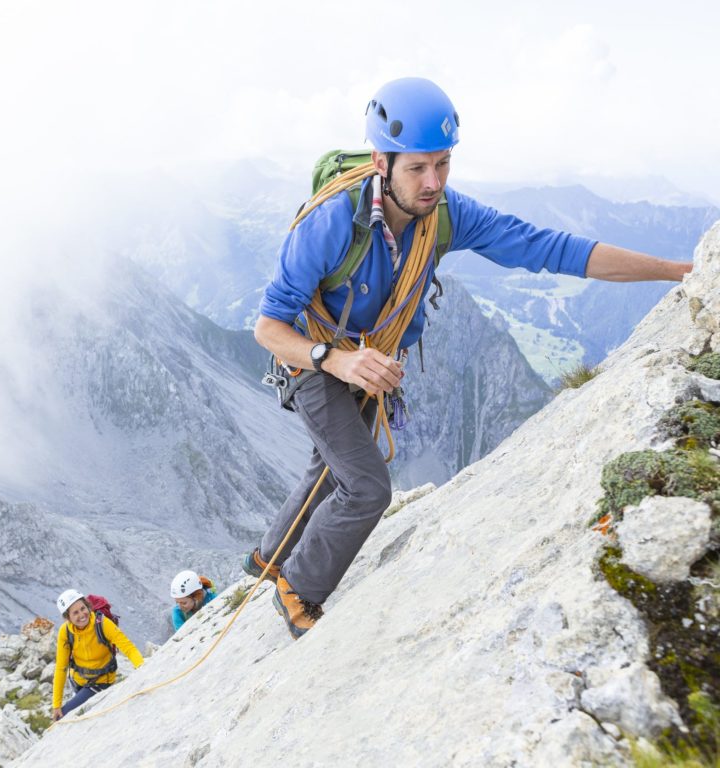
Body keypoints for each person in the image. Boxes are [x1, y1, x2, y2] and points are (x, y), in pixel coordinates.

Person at [244, 77, 693, 640]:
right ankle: (297, 586)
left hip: (368, 360)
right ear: (382, 162)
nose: (433, 183)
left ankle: (266, 557)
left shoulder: (447, 216)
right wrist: (334, 360)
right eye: (418, 169)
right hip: (312, 357)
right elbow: (268, 327)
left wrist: (679, 271)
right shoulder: (332, 222)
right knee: (366, 486)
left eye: (443, 165)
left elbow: (551, 249)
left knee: (332, 463)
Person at [51, 589, 144, 721]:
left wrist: (141, 666)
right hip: (78, 682)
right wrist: (56, 705)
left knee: (63, 717)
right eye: (75, 612)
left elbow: (128, 647)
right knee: (65, 714)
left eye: (83, 608)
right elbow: (61, 668)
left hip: (100, 681)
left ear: (88, 606)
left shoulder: (102, 624)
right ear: (68, 618)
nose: (82, 614)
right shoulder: (65, 632)